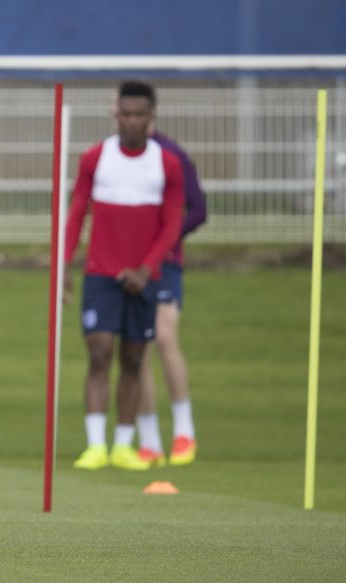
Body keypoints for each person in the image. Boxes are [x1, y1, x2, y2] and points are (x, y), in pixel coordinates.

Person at [65, 80, 184, 471]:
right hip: (101, 273)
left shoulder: (166, 164)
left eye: (139, 115)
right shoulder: (95, 158)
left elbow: (171, 225)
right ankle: (95, 444)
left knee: (133, 359)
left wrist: (146, 268)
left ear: (151, 117)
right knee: (99, 353)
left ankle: (123, 445)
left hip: (144, 277)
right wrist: (64, 264)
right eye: (126, 114)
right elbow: (77, 212)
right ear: (116, 114)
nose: (131, 121)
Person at [135, 124, 207, 467]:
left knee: (164, 337)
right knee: (138, 347)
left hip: (165, 263)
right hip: (128, 264)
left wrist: (167, 236)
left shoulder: (171, 156)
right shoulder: (113, 154)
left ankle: (184, 432)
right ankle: (148, 440)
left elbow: (198, 208)